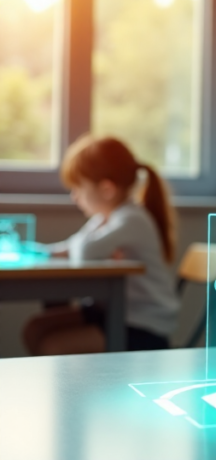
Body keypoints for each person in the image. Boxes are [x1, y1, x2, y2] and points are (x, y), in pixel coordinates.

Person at [22, 135, 179, 354]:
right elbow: (70, 248)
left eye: (78, 188)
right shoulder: (106, 217)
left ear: (107, 189)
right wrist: (32, 251)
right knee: (35, 328)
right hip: (110, 313)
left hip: (141, 328)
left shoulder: (131, 219)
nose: (74, 197)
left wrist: (83, 247)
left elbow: (84, 251)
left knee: (53, 346)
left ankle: (73, 387)